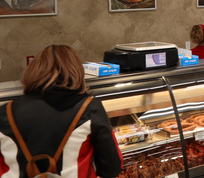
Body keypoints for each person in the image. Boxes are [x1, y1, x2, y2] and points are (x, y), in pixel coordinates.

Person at [0, 45, 122, 177]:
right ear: (77, 71)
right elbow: (113, 166)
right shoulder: (89, 109)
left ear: (33, 71)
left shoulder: (5, 112)